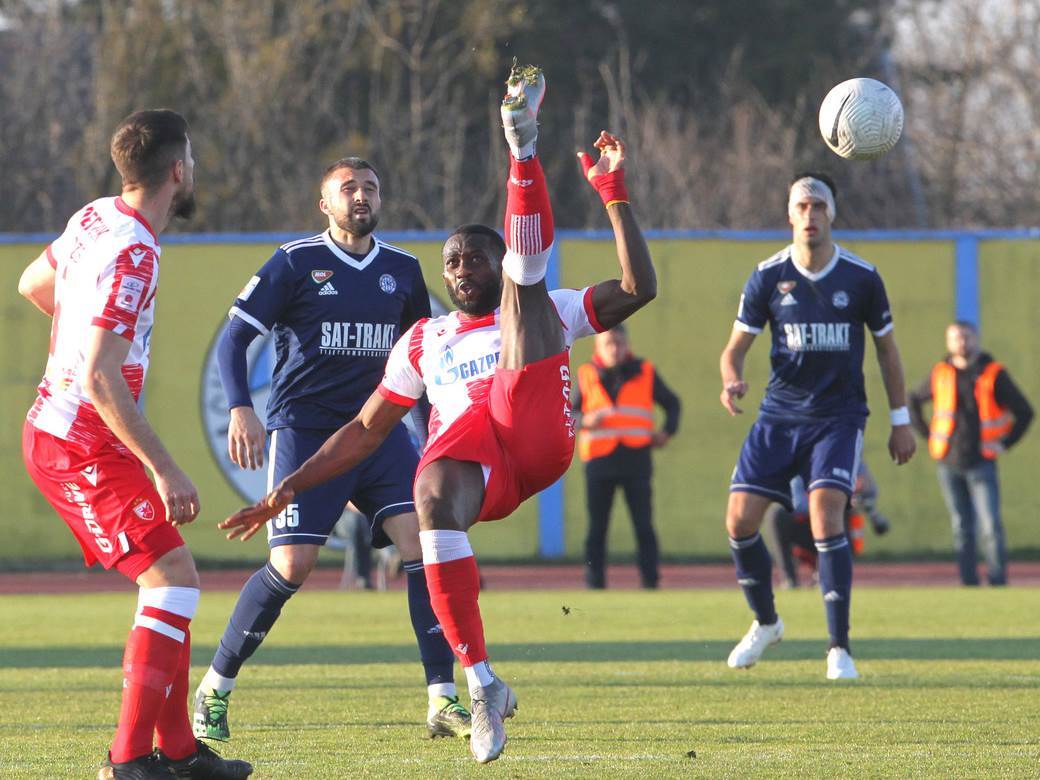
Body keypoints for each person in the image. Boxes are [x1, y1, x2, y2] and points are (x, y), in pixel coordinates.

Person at [218, 62, 656, 763]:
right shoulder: (424, 341)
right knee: (426, 493)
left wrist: (613, 194)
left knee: (527, 297)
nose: (458, 269)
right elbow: (365, 431)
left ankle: (521, 148)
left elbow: (639, 286)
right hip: (479, 469)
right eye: (450, 262)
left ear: (495, 258)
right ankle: (480, 686)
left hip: (537, 435)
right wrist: (288, 489)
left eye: (473, 258)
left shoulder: (548, 308)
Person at [192, 157, 470, 743]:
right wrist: (242, 407)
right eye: (349, 189)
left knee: (423, 548)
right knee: (292, 567)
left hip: (380, 432)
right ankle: (215, 687)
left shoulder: (402, 268)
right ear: (325, 203)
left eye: (371, 187)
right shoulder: (296, 262)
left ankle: (443, 699)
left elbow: (423, 353)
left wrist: (438, 421)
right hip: (306, 432)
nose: (361, 196)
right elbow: (237, 337)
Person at [18, 110, 252, 779]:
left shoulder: (94, 216)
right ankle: (126, 764)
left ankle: (178, 754)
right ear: (177, 169)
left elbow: (32, 285)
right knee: (172, 581)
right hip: (74, 442)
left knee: (173, 580)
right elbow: (96, 375)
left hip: (80, 433)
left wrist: (76, 347)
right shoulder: (136, 250)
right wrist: (168, 468)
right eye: (194, 160)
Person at [719, 172, 916, 680]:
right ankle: (766, 622)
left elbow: (887, 351)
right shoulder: (767, 276)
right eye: (802, 206)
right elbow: (734, 350)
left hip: (838, 418)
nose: (811, 215)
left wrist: (901, 421)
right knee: (739, 521)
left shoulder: (862, 277)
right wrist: (731, 381)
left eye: (819, 207)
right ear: (789, 214)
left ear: (833, 214)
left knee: (827, 517)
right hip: (779, 416)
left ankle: (838, 648)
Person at [908, 321, 1033, 586]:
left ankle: (998, 581)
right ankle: (969, 582)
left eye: (966, 337)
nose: (961, 343)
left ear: (976, 339)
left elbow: (1025, 412)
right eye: (955, 338)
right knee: (961, 527)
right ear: (948, 342)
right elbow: (913, 400)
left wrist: (1005, 443)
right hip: (948, 461)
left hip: (982, 461)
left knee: (990, 526)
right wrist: (928, 435)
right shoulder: (941, 372)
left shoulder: (992, 373)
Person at [571, 324, 680, 589]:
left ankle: (650, 581)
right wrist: (586, 420)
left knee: (643, 525)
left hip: (636, 459)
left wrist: (666, 432)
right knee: (597, 528)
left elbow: (672, 403)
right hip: (599, 461)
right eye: (608, 344)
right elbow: (568, 415)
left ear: (627, 345)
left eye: (619, 343)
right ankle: (594, 582)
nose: (615, 350)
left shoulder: (644, 371)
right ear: (597, 347)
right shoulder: (586, 374)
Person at [766, 461, 889, 588]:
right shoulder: (801, 462)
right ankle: (790, 579)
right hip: (810, 528)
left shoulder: (853, 461)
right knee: (778, 515)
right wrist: (833, 502)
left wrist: (854, 501)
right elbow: (797, 503)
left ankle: (828, 576)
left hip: (843, 530)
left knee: (842, 516)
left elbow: (870, 492)